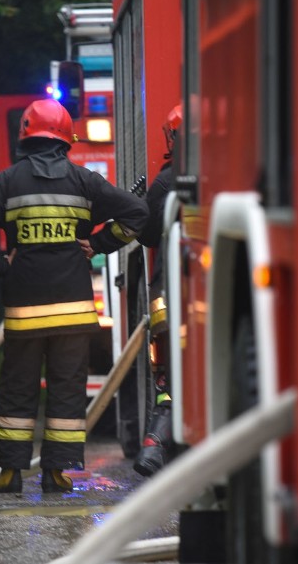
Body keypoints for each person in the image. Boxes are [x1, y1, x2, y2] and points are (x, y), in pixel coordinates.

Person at [0, 99, 148, 494]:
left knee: (17, 388)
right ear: (65, 137)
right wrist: (98, 243)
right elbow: (138, 214)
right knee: (67, 390)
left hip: (25, 310)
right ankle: (57, 473)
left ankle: (9, 474)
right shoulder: (84, 181)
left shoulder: (7, 182)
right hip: (74, 311)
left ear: (26, 135)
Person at [132, 104, 182, 477]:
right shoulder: (227, 174)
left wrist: (138, 202)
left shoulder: (166, 182)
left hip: (169, 296)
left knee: (167, 378)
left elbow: (147, 234)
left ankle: (155, 447)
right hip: (209, 301)